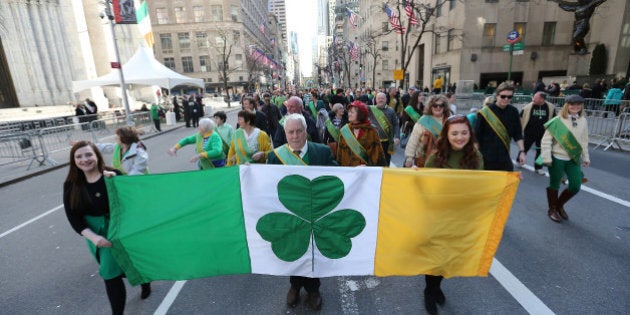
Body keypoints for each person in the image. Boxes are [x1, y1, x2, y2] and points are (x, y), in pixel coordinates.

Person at [63, 141, 150, 315]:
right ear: (74, 161)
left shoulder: (112, 175)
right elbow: (73, 218)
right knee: (117, 268)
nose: (84, 159)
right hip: (95, 233)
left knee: (112, 272)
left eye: (89, 154)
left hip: (118, 228)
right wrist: (94, 237)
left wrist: (116, 182)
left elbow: (132, 199)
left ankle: (137, 290)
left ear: (97, 156)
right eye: (79, 156)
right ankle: (143, 280)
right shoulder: (70, 185)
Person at [267, 114, 337, 311]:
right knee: (294, 252)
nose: (295, 136)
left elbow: (338, 178)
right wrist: (249, 172)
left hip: (316, 214)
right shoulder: (275, 156)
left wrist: (360, 173)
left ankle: (314, 290)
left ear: (306, 131)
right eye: (291, 132)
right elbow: (266, 185)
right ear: (285, 134)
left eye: (299, 131)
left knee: (313, 254)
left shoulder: (322, 152)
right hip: (290, 216)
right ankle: (295, 286)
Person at [422, 114, 484, 315]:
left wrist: (508, 180)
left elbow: (481, 186)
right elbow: (424, 187)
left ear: (470, 134)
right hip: (437, 217)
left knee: (449, 257)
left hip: (461, 217)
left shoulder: (476, 157)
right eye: (455, 133)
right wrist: (414, 174)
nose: (460, 137)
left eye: (464, 133)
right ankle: (429, 291)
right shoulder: (435, 157)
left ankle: (436, 286)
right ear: (446, 135)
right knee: (435, 258)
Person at [540, 95, 590, 222]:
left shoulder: (583, 120)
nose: (575, 107)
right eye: (572, 104)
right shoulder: (558, 120)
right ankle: (552, 209)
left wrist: (586, 157)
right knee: (554, 184)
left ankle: (559, 205)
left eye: (578, 104)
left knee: (575, 185)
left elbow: (584, 140)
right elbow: (546, 140)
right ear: (566, 105)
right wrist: (546, 157)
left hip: (573, 158)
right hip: (557, 157)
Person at [475, 82, 526, 171]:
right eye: (503, 96)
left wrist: (522, 151)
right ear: (497, 95)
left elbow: (517, 133)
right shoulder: (485, 112)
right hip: (486, 157)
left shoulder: (513, 111)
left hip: (504, 157)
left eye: (509, 97)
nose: (506, 99)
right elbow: (476, 136)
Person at [336, 101, 387, 166]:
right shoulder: (345, 130)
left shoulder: (371, 131)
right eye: (349, 112)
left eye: (352, 112)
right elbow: (339, 156)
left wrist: (368, 166)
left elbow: (378, 155)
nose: (349, 114)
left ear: (360, 114)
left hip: (366, 172)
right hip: (348, 172)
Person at [404, 95, 449, 168]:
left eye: (441, 105)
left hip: (443, 161)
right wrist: (409, 158)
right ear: (430, 106)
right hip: (422, 161)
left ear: (444, 107)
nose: (438, 107)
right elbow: (413, 140)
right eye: (435, 105)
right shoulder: (423, 121)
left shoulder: (449, 121)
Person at [520, 92, 556, 175]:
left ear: (542, 99)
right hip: (529, 132)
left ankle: (538, 167)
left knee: (541, 151)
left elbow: (554, 120)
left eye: (535, 98)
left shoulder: (550, 107)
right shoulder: (528, 106)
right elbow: (521, 116)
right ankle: (520, 160)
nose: (533, 99)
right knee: (525, 148)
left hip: (543, 133)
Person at [370, 92, 400, 165]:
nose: (381, 100)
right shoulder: (370, 109)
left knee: (386, 162)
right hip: (374, 142)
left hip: (387, 142)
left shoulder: (391, 110)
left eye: (382, 98)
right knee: (374, 162)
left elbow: (396, 124)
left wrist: (397, 136)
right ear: (375, 100)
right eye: (379, 98)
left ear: (386, 99)